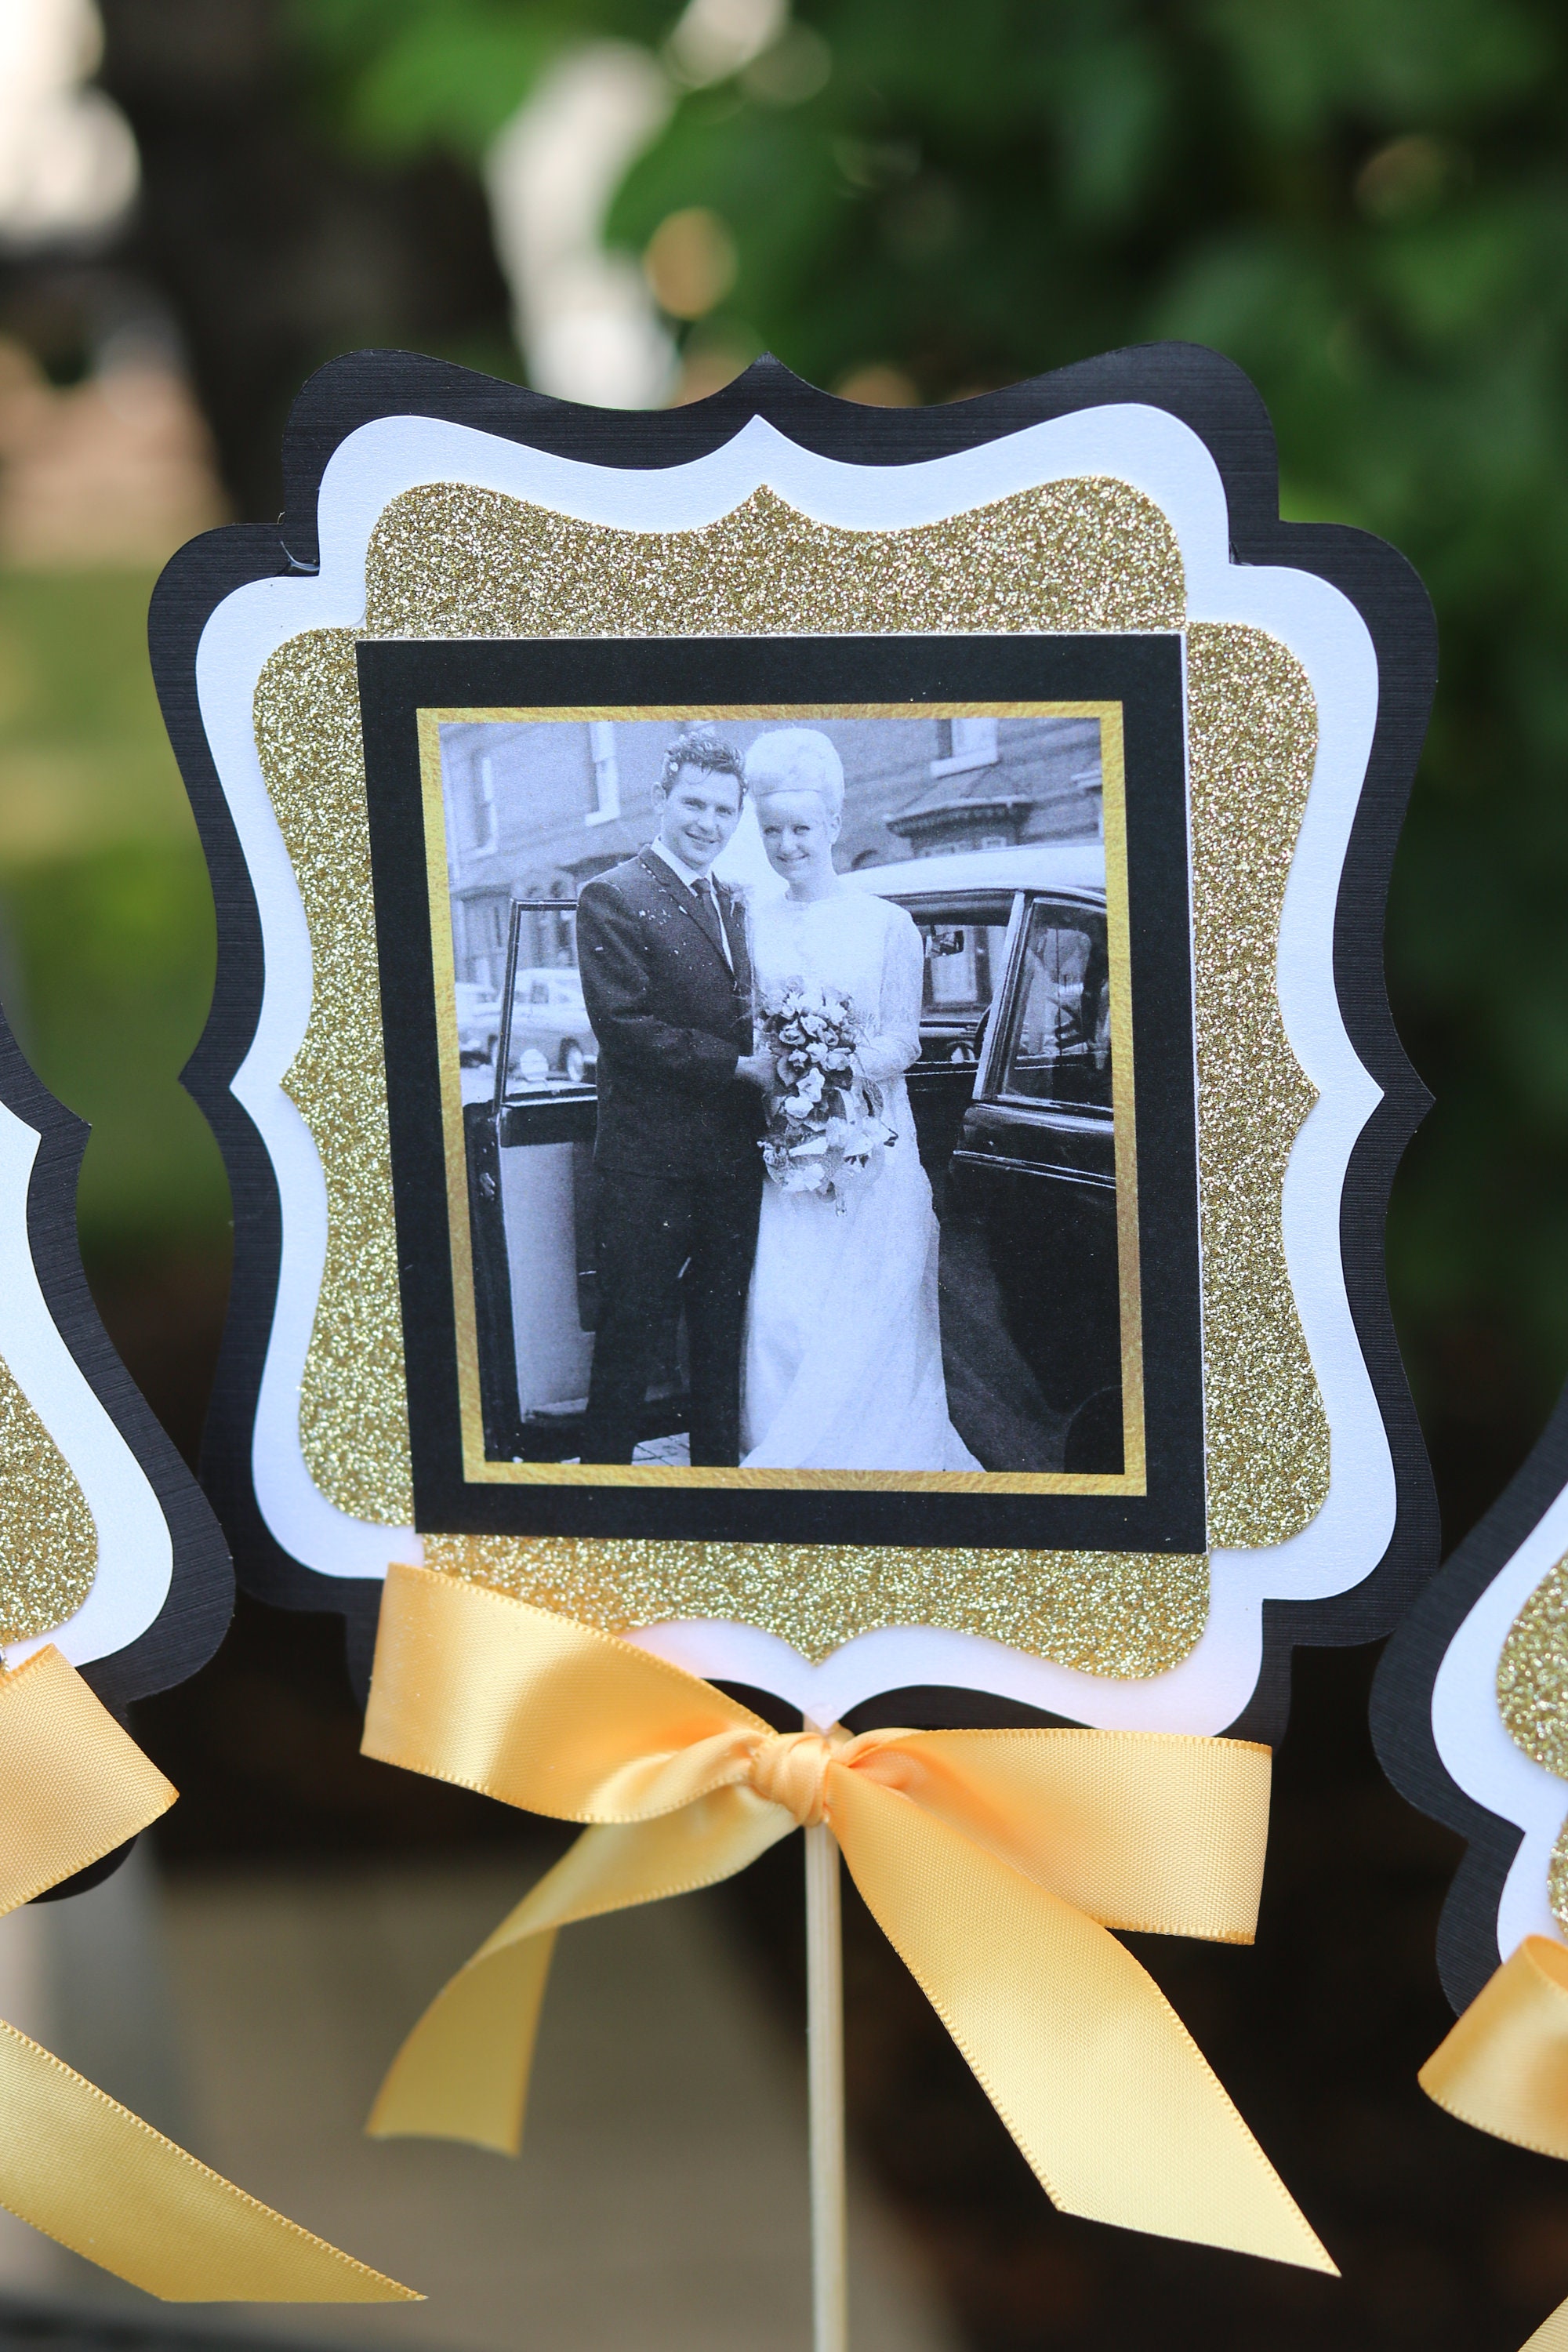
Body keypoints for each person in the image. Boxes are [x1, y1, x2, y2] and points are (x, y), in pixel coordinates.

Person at [740, 728, 981, 1471]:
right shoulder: (753, 919)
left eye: (802, 829)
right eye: (772, 830)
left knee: (870, 1314)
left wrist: (835, 1063)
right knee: (788, 1311)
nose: (787, 846)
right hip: (790, 1154)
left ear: (835, 826)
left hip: (872, 1149)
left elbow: (904, 1041)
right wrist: (785, 1069)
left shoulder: (886, 924)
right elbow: (751, 1027)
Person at [575, 730, 775, 1465]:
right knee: (632, 1338)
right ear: (661, 801)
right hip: (648, 1166)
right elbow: (624, 1027)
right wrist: (741, 1068)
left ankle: (715, 1490)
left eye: (725, 810)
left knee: (723, 1336)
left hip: (728, 1163)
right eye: (694, 803)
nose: (708, 823)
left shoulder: (731, 899)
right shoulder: (613, 895)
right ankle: (602, 1501)